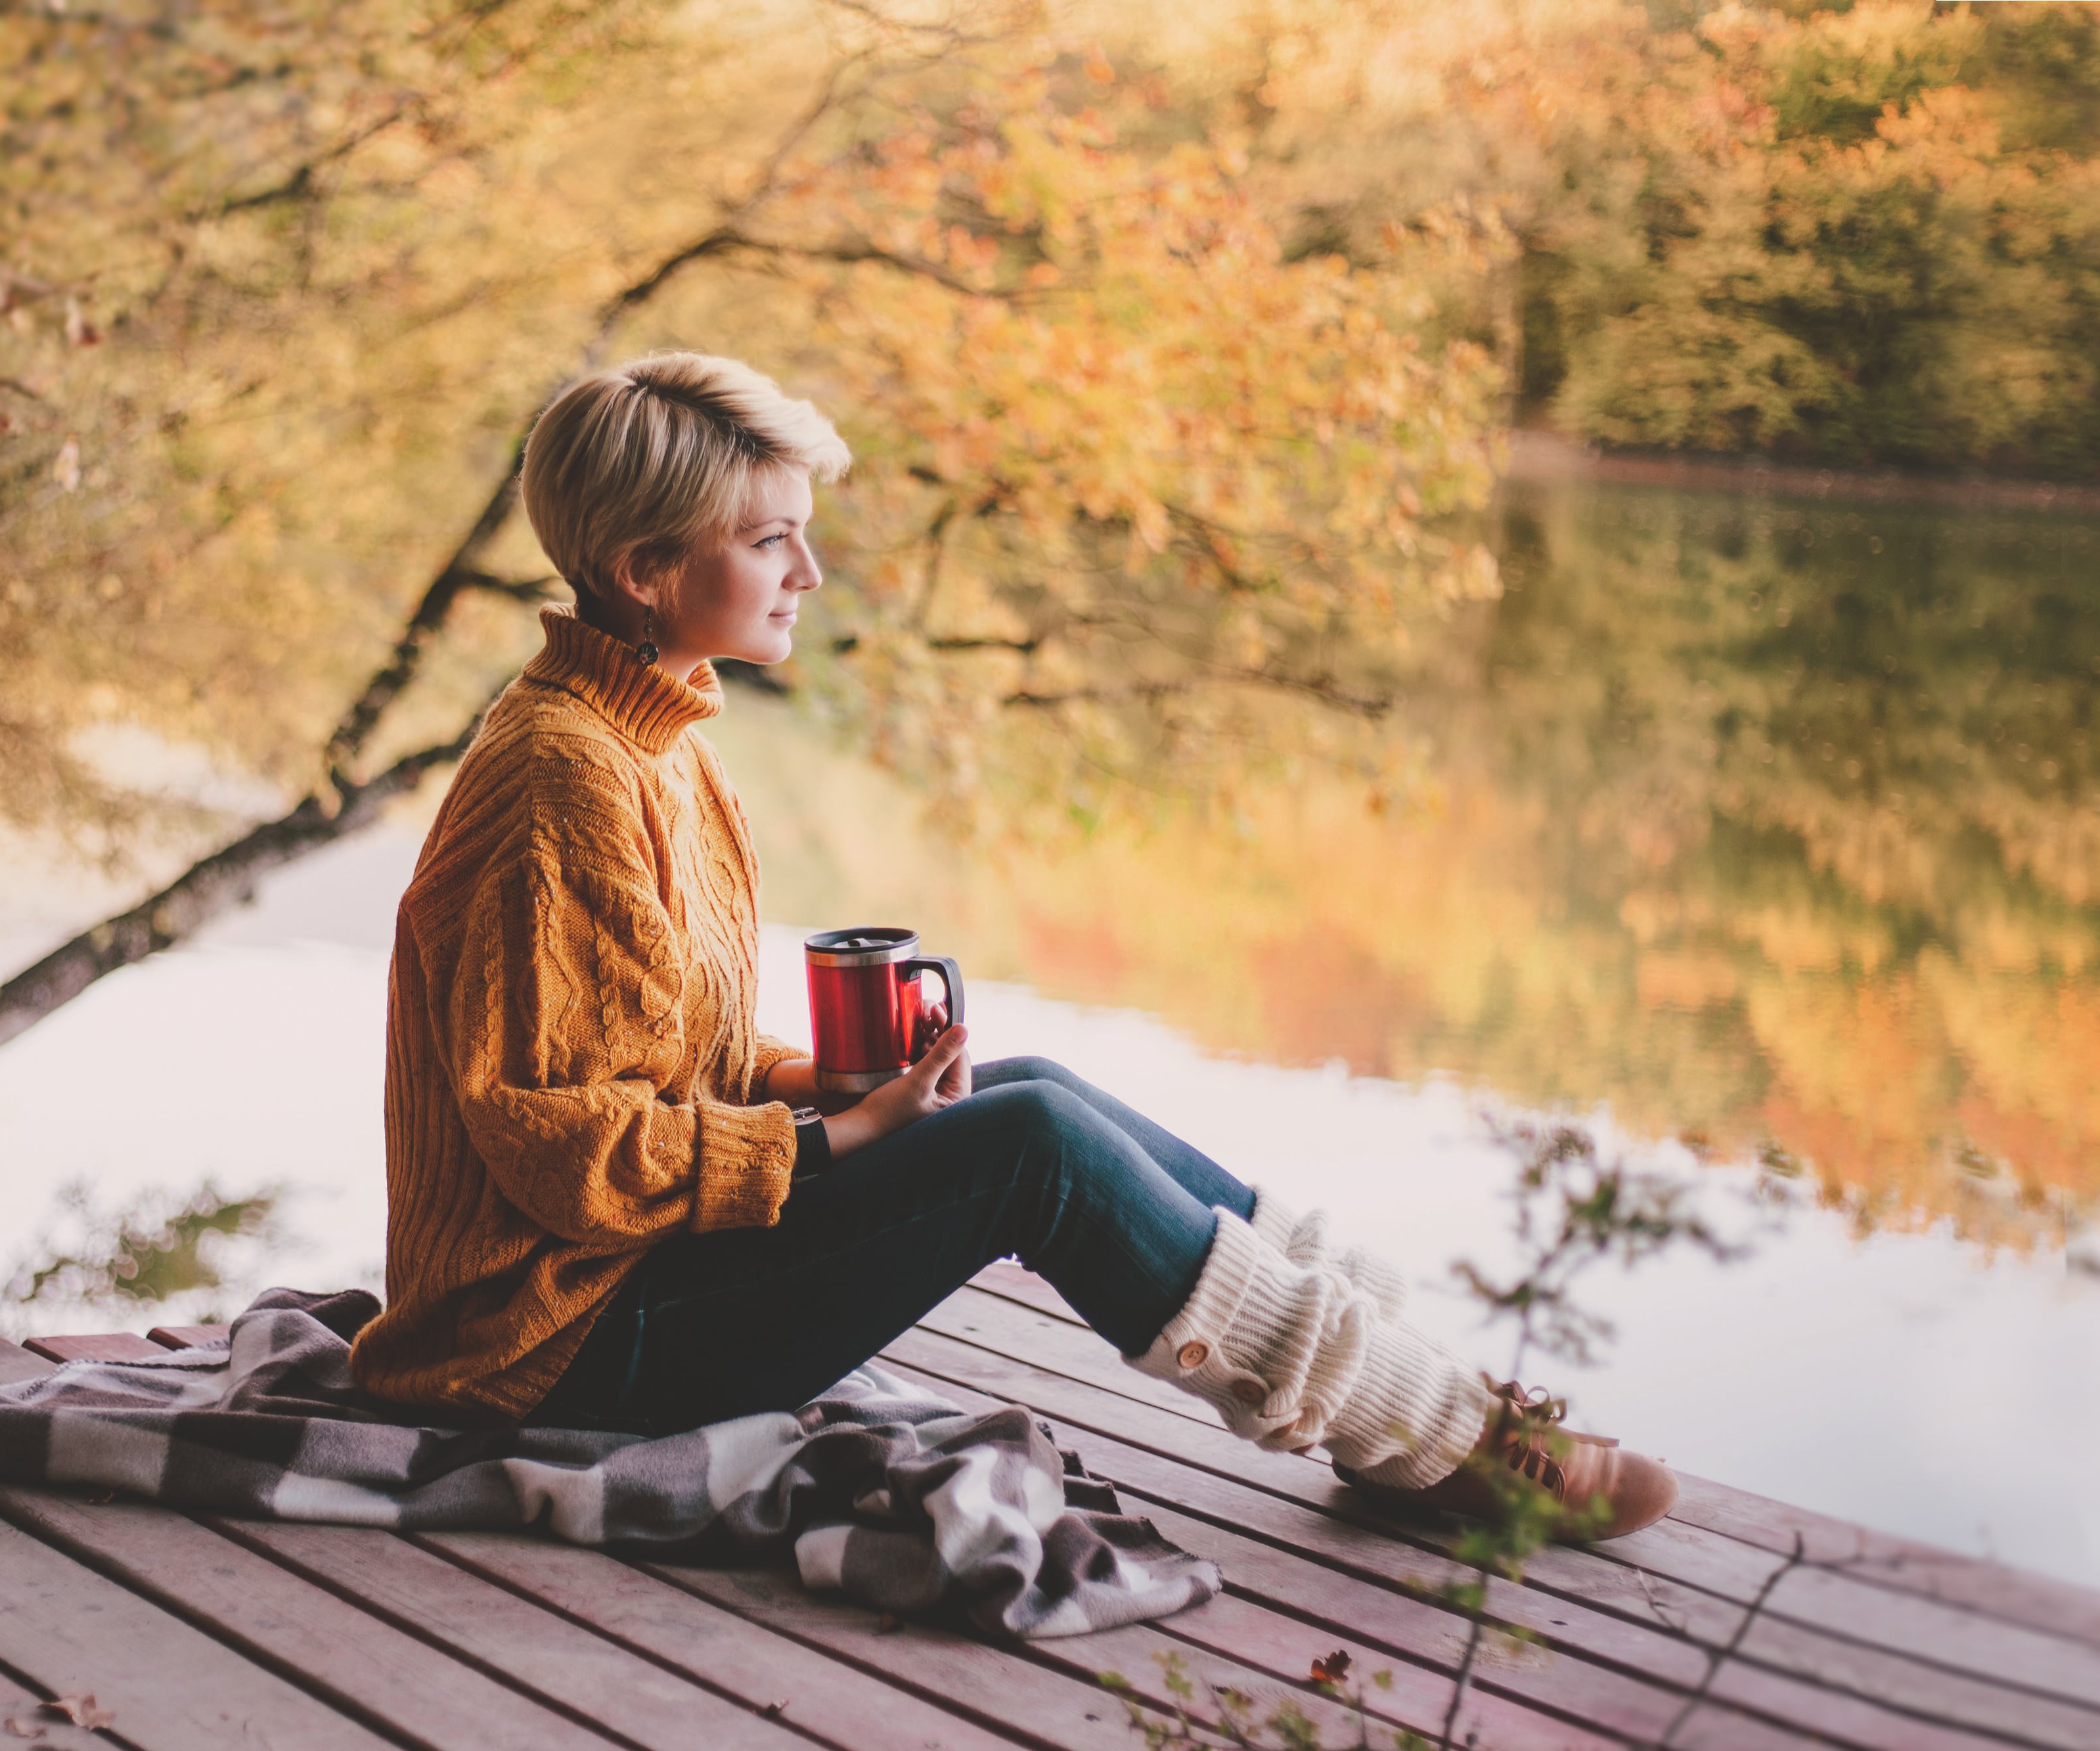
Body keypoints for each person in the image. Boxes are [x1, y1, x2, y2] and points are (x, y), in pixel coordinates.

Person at [346, 351, 1676, 1541]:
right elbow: (553, 1139)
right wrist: (839, 1144)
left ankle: (1400, 1372)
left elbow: (662, 1052)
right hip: (544, 1347)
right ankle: (1430, 1439)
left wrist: (838, 1090)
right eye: (769, 542)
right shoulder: (563, 779)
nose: (808, 574)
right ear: (644, 571)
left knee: (1025, 1088)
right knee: (1027, 1151)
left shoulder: (654, 745)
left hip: (625, 1281)